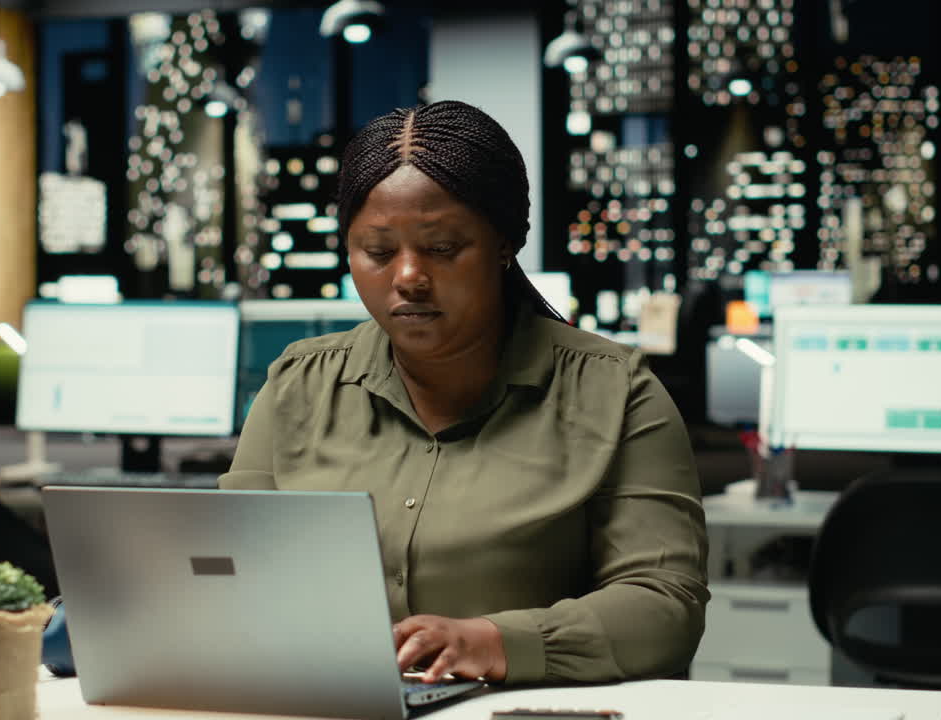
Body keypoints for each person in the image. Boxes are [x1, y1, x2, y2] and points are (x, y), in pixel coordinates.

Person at [219, 100, 708, 686]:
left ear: (504, 245)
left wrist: (496, 643)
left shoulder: (616, 391)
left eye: (443, 248)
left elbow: (664, 605)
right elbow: (231, 576)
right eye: (377, 252)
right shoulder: (298, 386)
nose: (407, 277)